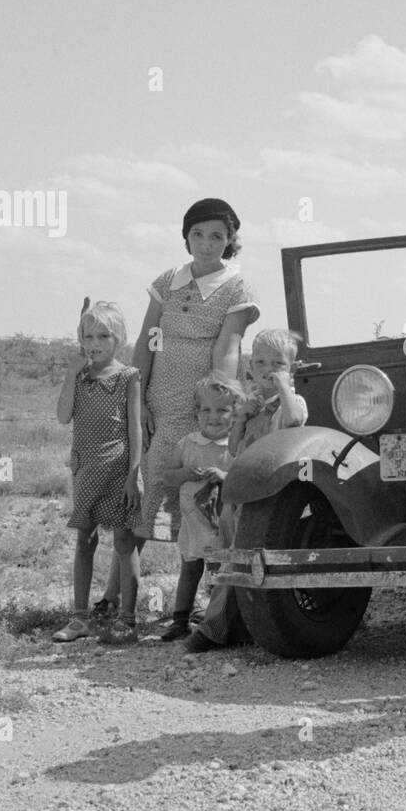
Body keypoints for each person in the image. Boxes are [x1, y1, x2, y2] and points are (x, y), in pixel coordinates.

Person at [95, 198, 259, 617]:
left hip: (203, 409)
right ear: (186, 237)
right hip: (159, 405)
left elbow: (228, 346)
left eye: (217, 236)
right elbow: (148, 340)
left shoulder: (237, 288)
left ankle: (211, 607)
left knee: (202, 502)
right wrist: (138, 399)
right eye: (198, 235)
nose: (207, 244)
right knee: (144, 499)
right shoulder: (168, 281)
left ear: (230, 241)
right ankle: (113, 600)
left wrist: (216, 405)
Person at [184, 328, 309, 653]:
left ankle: (213, 629)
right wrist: (241, 417)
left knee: (240, 559)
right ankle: (237, 624)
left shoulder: (291, 403)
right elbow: (236, 448)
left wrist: (283, 388)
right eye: (262, 362)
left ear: (292, 369)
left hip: (269, 500)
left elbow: (295, 423)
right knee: (229, 556)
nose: (268, 369)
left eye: (278, 363)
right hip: (240, 493)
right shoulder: (253, 407)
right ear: (251, 367)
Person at [52, 300, 142, 643]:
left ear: (118, 337)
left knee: (123, 540)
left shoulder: (127, 377)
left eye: (103, 335)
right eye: (88, 336)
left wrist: (135, 474)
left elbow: (134, 431)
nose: (95, 343)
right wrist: (70, 374)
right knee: (84, 540)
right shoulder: (80, 378)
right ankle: (80, 618)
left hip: (119, 468)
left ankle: (127, 618)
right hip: (86, 468)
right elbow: (63, 416)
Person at [156, 375, 243, 642]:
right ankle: (180, 620)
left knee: (220, 570)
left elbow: (243, 481)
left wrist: (224, 476)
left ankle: (218, 619)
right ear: (197, 413)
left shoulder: (235, 447)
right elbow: (167, 476)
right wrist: (184, 473)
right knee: (190, 568)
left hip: (221, 522)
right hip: (193, 521)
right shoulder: (188, 443)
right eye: (206, 410)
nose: (213, 417)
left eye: (222, 410)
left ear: (234, 413)